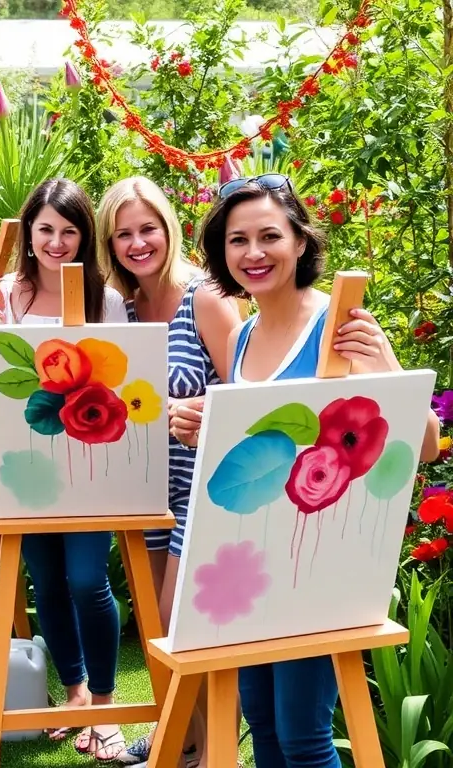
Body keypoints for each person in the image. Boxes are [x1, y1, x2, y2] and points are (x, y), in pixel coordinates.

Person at [173, 173, 439, 768]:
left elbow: (425, 444)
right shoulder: (242, 336)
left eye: (269, 236)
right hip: (255, 562)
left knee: (303, 735)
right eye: (238, 240)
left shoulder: (338, 326)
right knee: (263, 722)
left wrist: (388, 366)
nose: (254, 252)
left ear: (299, 241)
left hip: (319, 564)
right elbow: (262, 444)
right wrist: (204, 428)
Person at [0, 178, 129, 763]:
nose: (56, 242)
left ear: (85, 237)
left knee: (86, 580)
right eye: (46, 230)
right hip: (21, 462)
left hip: (90, 460)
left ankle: (104, 705)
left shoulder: (105, 300)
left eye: (69, 231)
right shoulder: (6, 295)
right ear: (29, 232)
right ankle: (76, 691)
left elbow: (122, 380)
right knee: (48, 581)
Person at [95, 177, 243, 768]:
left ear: (168, 229)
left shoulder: (204, 297)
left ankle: (215, 752)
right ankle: (183, 741)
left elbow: (249, 391)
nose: (137, 243)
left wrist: (203, 407)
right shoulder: (121, 308)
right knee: (158, 628)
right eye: (123, 234)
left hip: (205, 486)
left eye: (147, 229)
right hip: (145, 487)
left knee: (185, 624)